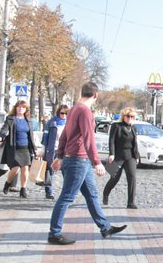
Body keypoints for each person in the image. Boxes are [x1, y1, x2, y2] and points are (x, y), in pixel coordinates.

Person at [48, 82, 127, 245]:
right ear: (96, 95)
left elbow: (64, 136)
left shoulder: (73, 109)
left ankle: (105, 227)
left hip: (75, 159)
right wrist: (97, 162)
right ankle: (54, 233)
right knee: (67, 197)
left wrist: (60, 155)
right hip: (79, 160)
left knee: (92, 195)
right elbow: (88, 138)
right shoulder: (85, 111)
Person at [102, 108, 140, 209]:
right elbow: (111, 140)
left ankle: (130, 202)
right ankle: (105, 193)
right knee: (114, 178)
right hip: (118, 155)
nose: (130, 118)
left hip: (130, 156)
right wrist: (111, 154)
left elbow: (134, 143)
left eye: (132, 117)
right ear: (123, 117)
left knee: (132, 178)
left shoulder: (133, 128)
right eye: (128, 116)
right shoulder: (116, 126)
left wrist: (136, 156)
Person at [0, 100, 37, 198]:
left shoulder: (28, 120)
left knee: (25, 169)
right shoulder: (11, 118)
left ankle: (23, 189)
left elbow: (31, 136)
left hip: (25, 148)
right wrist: (1, 136)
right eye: (19, 107)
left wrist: (34, 148)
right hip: (14, 148)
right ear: (15, 108)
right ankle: (8, 183)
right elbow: (4, 128)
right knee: (15, 169)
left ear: (26, 109)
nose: (20, 109)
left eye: (23, 107)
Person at [40, 104, 69, 200]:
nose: (64, 115)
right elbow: (45, 136)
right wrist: (43, 149)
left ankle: (66, 192)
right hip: (52, 149)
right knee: (50, 170)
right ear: (58, 112)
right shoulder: (52, 122)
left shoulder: (69, 123)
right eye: (62, 113)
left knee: (66, 171)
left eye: (66, 113)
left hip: (65, 150)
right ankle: (49, 192)